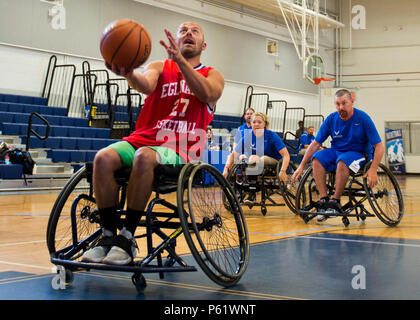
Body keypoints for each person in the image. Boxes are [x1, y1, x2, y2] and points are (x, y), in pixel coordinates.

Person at [82, 21, 224, 265]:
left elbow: (208, 94)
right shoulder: (159, 66)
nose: (188, 33)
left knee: (144, 157)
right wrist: (128, 72)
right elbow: (145, 85)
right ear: (176, 40)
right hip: (144, 138)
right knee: (102, 158)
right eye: (183, 30)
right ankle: (107, 237)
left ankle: (127, 238)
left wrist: (181, 62)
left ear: (204, 44)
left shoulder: (212, 74)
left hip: (181, 147)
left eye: (195, 31)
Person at [291, 89, 384, 222]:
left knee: (342, 161)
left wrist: (374, 169)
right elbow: (315, 144)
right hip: (337, 152)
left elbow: (379, 146)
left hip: (359, 154)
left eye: (344, 103)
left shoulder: (363, 118)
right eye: (337, 104)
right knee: (317, 158)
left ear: (351, 102)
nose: (341, 107)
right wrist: (300, 166)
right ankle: (324, 201)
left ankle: (335, 201)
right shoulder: (331, 119)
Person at [223, 112, 290, 204]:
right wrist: (226, 169)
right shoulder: (248, 136)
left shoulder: (271, 135)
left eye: (259, 122)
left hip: (274, 162)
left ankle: (252, 193)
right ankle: (245, 185)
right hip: (256, 162)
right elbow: (233, 154)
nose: (256, 124)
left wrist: (283, 171)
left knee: (253, 158)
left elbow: (286, 155)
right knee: (243, 157)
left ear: (265, 124)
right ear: (250, 124)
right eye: (254, 122)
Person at [222, 107, 254, 178]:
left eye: (251, 114)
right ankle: (227, 172)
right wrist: (234, 152)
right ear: (245, 116)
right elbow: (235, 143)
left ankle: (242, 176)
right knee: (231, 156)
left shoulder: (256, 127)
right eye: (247, 114)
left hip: (252, 151)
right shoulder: (240, 128)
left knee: (241, 157)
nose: (249, 115)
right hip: (240, 151)